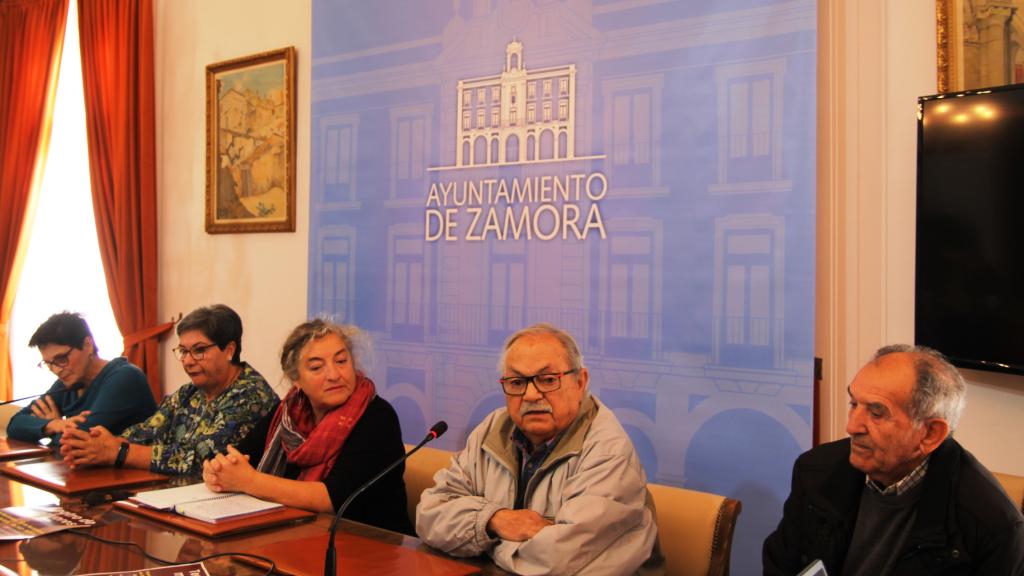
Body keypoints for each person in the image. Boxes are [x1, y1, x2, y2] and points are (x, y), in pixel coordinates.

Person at [416, 323, 663, 575]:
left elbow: (557, 562)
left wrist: (483, 542)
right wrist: (495, 520)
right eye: (516, 381)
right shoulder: (491, 429)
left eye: (547, 380)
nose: (531, 394)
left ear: (581, 382)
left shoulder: (607, 450)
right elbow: (430, 514)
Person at [763, 345, 1024, 575]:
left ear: (930, 434)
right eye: (854, 404)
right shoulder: (816, 470)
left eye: (876, 412)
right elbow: (780, 564)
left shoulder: (991, 525)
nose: (852, 426)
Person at [202, 319, 412, 533]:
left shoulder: (377, 417)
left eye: (341, 361)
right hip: (298, 536)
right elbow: (238, 456)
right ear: (296, 379)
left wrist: (250, 481)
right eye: (316, 367)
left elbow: (330, 498)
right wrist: (216, 470)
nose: (334, 375)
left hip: (371, 545)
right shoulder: (288, 413)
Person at [60, 304, 278, 476]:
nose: (188, 361)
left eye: (199, 350)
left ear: (229, 350)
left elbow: (203, 460)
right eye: (183, 351)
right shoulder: (189, 393)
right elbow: (147, 432)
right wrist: (95, 443)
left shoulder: (250, 395)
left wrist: (118, 452)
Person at [7, 312, 156, 446]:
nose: (56, 370)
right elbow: (14, 425)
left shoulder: (124, 377)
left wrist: (56, 430)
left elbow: (76, 440)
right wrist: (53, 424)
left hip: (131, 473)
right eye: (49, 363)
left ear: (88, 345)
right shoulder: (67, 381)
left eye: (62, 358)